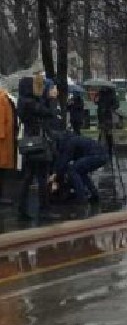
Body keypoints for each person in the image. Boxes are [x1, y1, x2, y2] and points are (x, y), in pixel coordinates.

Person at [17, 74, 57, 221]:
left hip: (29, 143)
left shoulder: (23, 101)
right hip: (38, 144)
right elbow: (49, 113)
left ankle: (22, 208)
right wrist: (52, 99)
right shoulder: (30, 103)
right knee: (41, 176)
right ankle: (44, 209)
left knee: (28, 177)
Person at [49, 131, 107, 203]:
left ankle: (81, 197)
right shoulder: (72, 139)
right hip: (101, 155)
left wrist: (55, 174)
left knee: (73, 170)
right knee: (81, 172)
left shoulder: (69, 143)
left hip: (96, 155)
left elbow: (64, 161)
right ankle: (94, 194)